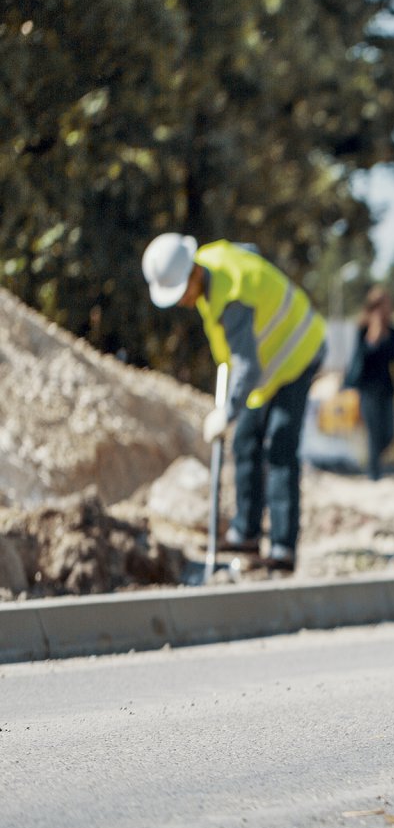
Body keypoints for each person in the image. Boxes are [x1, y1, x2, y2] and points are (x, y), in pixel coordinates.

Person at [142, 233, 325, 573]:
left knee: (280, 446)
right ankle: (246, 534)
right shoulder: (212, 260)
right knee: (245, 441)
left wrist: (228, 410)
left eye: (181, 292)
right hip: (268, 369)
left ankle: (283, 549)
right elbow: (252, 252)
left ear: (194, 274)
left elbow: (248, 365)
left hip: (298, 352)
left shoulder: (231, 299)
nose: (182, 301)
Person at [347, 285, 394, 480]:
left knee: (389, 433)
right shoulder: (362, 331)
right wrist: (372, 339)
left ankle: (376, 468)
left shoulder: (393, 333)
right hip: (368, 390)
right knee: (373, 434)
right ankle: (374, 476)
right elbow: (358, 360)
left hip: (387, 389)